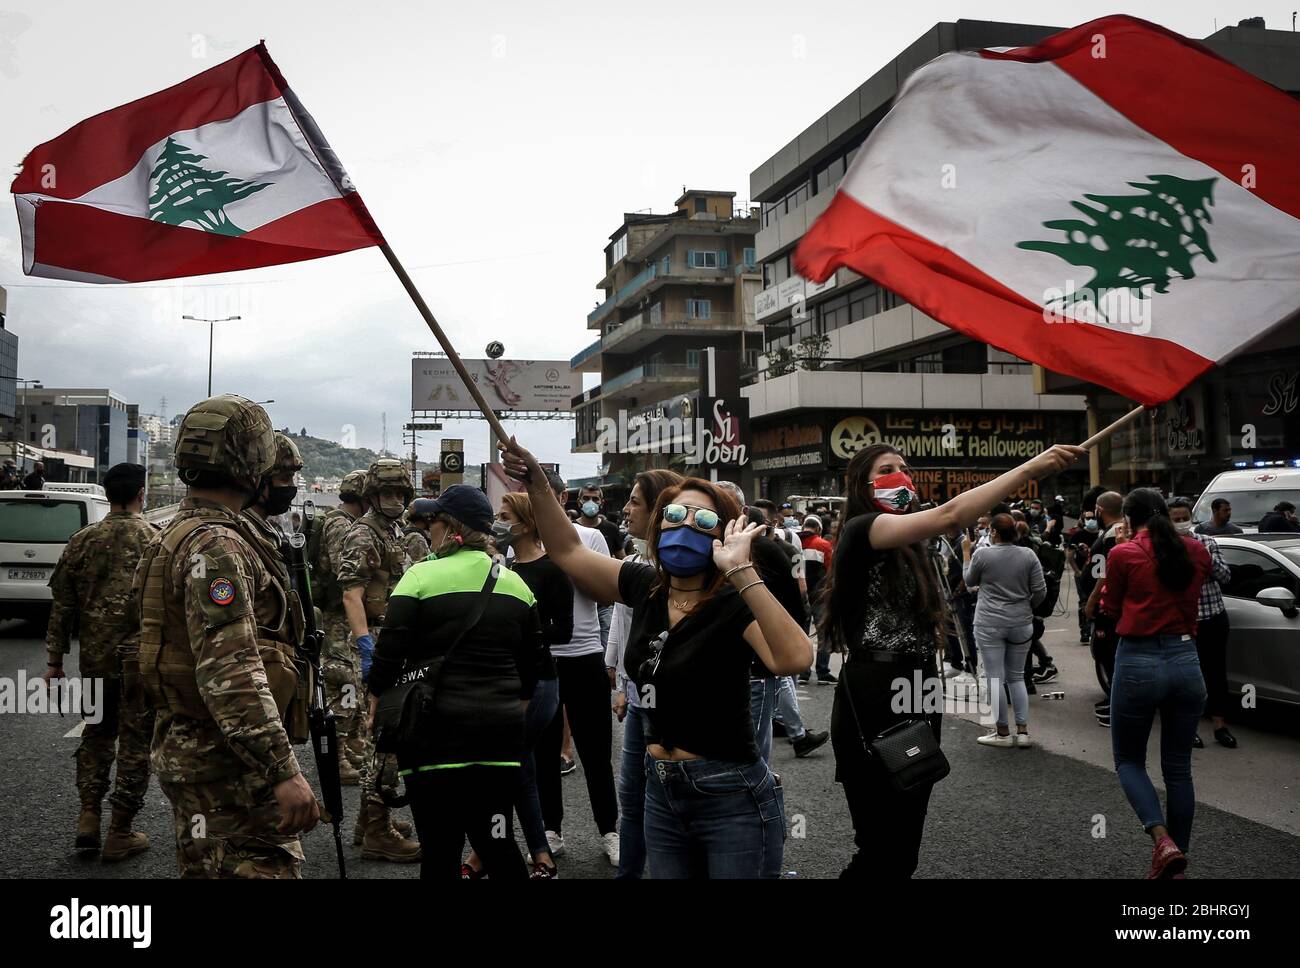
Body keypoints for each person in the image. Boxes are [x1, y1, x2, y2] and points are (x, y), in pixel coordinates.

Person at [501, 437, 813, 878]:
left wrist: (740, 570)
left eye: (703, 518)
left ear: (723, 532)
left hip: (731, 794)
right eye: (673, 514)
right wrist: (536, 482)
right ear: (658, 526)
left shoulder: (733, 600)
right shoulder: (645, 586)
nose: (684, 524)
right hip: (661, 792)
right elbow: (568, 550)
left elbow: (795, 657)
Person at [820, 440, 1082, 878]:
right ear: (861, 483)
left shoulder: (911, 543)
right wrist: (1030, 467)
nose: (901, 475)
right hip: (873, 692)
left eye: (904, 467)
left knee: (904, 847)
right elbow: (951, 515)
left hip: (918, 688)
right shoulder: (862, 528)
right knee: (878, 847)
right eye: (887, 468)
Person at [134, 395, 317, 877]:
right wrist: (284, 770)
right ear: (253, 461)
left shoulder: (179, 532)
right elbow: (230, 668)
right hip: (229, 767)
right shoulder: (217, 546)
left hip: (199, 753)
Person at [367, 485, 549, 881]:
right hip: (498, 740)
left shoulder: (418, 577)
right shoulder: (516, 585)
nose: (426, 527)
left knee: (439, 848)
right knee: (497, 842)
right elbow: (535, 663)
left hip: (432, 735)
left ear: (452, 529)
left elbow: (388, 655)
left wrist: (374, 703)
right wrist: (513, 707)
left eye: (432, 520)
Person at [44, 462, 156, 861]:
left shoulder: (82, 540)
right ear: (142, 494)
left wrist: (55, 662)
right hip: (140, 663)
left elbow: (62, 606)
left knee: (96, 735)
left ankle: (88, 817)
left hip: (95, 661)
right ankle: (120, 831)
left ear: (108, 495)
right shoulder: (156, 541)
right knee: (135, 744)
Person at [1100, 488, 1210, 879]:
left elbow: (1110, 609)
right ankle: (1176, 866)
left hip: (1138, 659)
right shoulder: (1196, 550)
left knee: (1129, 760)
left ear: (1127, 519)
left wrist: (1125, 546)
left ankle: (1162, 841)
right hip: (1185, 659)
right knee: (1178, 770)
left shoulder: (1122, 554)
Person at [461, 490, 565, 879]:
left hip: (537, 684)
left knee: (509, 767)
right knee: (516, 768)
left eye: (505, 515)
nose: (498, 523)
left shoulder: (551, 570)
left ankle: (487, 855)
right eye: (496, 516)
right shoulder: (499, 568)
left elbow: (565, 629)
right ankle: (534, 854)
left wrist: (524, 633)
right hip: (506, 681)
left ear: (526, 521)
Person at [338, 457, 422, 863]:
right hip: (378, 639)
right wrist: (367, 647)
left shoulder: (393, 531)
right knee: (386, 738)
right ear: (372, 496)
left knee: (385, 735)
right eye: (385, 493)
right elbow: (352, 594)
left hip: (394, 638)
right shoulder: (363, 534)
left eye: (398, 493)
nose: (393, 499)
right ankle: (376, 831)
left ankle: (368, 821)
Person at [536, 471, 619, 866]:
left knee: (596, 751)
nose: (538, 500)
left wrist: (569, 564)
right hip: (542, 661)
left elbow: (606, 594)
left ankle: (610, 830)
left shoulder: (590, 538)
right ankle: (550, 829)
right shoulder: (521, 544)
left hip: (584, 655)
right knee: (546, 752)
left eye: (545, 493)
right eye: (531, 493)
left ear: (561, 495)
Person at [605, 468, 681, 879]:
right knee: (631, 797)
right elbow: (620, 621)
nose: (626, 508)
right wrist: (617, 679)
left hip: (675, 704)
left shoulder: (684, 568)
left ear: (658, 510)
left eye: (636, 500)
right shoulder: (632, 563)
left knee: (668, 796)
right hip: (636, 699)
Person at [717, 484, 829, 762]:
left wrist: (792, 636)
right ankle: (797, 735)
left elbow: (796, 592)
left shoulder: (780, 550)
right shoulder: (710, 548)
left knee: (753, 745)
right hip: (722, 663)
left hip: (758, 662)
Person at [962, 513, 1045, 747]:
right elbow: (1040, 590)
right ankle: (1023, 731)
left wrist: (966, 552)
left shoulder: (983, 554)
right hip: (1021, 621)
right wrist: (1026, 606)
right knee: (1017, 676)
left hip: (989, 621)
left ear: (995, 532)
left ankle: (1002, 732)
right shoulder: (1028, 555)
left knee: (995, 678)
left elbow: (969, 581)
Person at [308, 469, 367, 785]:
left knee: (351, 680)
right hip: (336, 616)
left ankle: (350, 745)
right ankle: (339, 755)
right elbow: (346, 568)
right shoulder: (339, 524)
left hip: (343, 614)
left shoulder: (346, 523)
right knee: (342, 680)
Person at [1169, 499, 1237, 750]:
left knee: (1216, 673)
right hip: (1183, 622)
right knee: (1186, 678)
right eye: (1175, 519)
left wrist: (1203, 555)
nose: (1181, 522)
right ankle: (1190, 728)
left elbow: (1225, 576)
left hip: (1213, 617)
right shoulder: (1166, 548)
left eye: (1184, 517)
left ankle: (1220, 726)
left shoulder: (1207, 542)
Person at [1085, 492, 1127, 728]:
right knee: (1105, 652)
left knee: (1109, 653)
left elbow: (1108, 571)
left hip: (1107, 605)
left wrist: (1092, 599)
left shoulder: (1115, 533)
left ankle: (1118, 704)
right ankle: (1113, 697)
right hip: (1104, 602)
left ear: (1100, 510)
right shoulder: (1111, 532)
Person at [798, 514, 837, 685]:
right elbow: (830, 572)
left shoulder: (795, 543)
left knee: (801, 634)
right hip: (820, 595)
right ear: (819, 529)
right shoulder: (823, 545)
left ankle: (803, 673)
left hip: (800, 596)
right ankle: (822, 672)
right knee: (824, 634)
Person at [577, 483, 625, 560]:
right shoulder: (571, 527)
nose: (590, 502)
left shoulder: (611, 529)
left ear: (602, 503)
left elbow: (622, 559)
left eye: (595, 499)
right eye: (586, 498)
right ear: (579, 502)